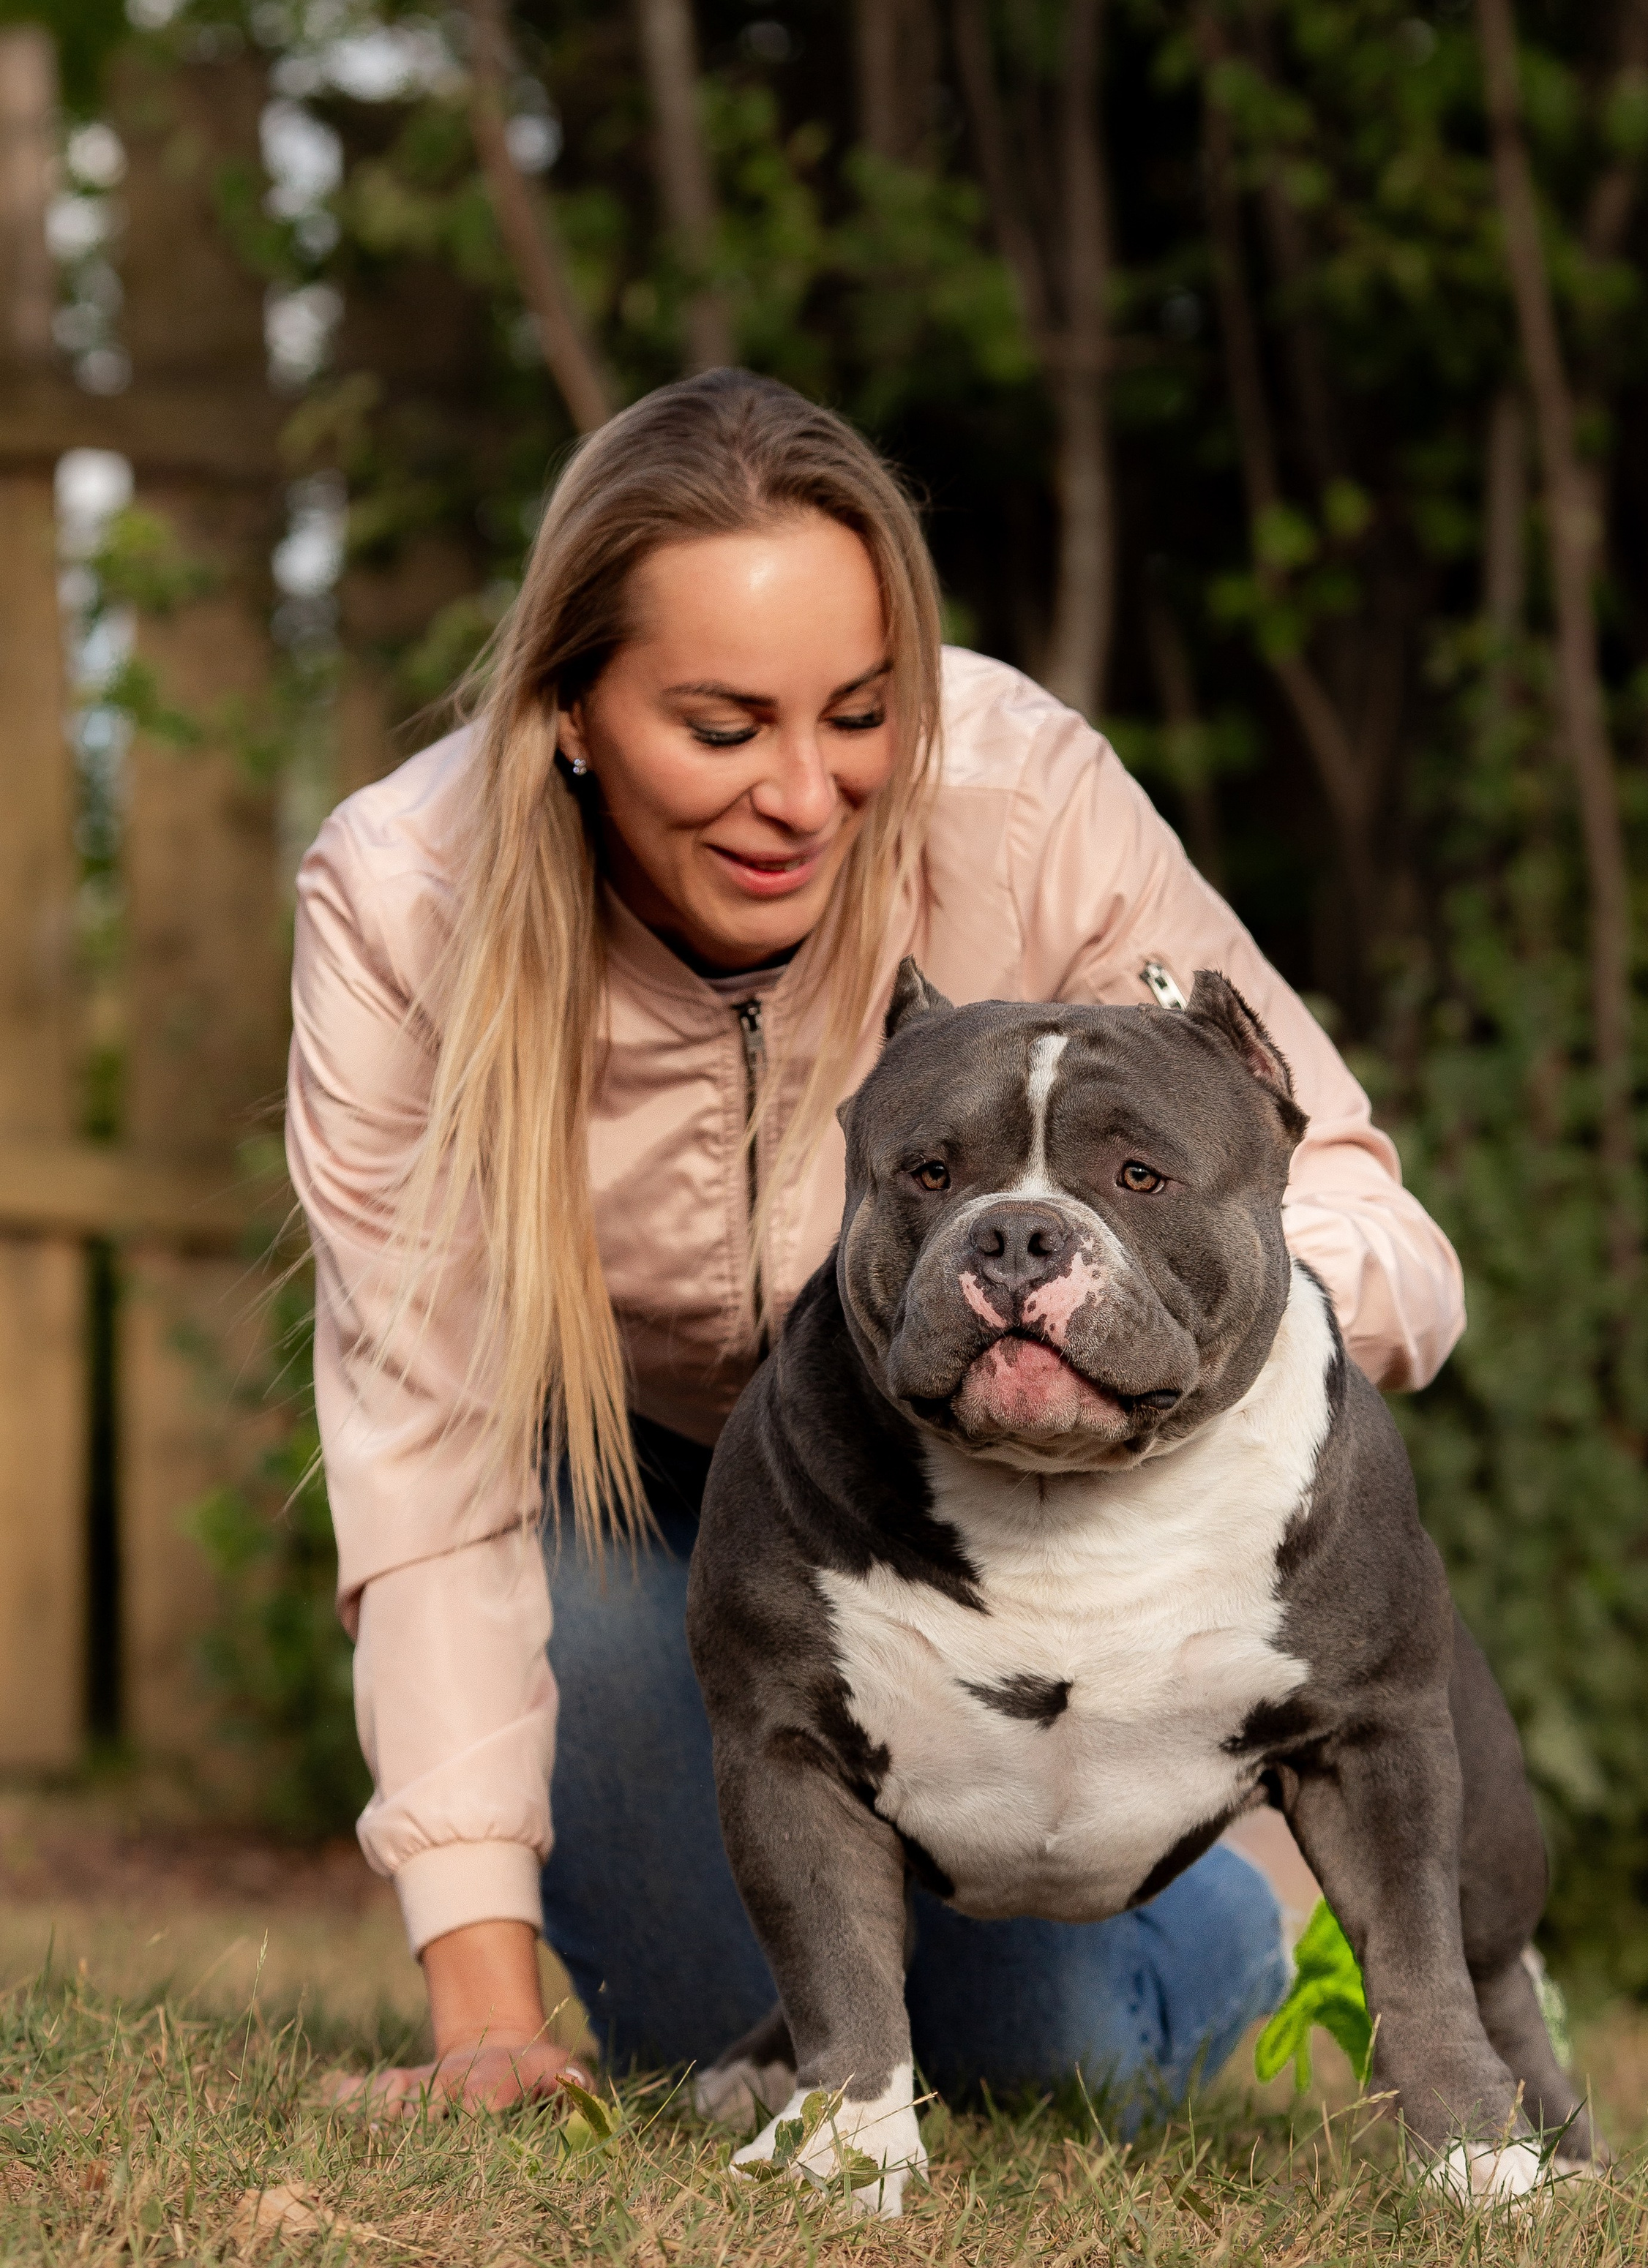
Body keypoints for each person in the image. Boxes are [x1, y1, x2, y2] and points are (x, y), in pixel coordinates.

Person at [288, 369, 1464, 2119]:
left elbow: (1366, 1210)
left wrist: (1166, 1340)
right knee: (733, 2029)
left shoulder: (1014, 789)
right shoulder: (403, 897)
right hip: (640, 1488)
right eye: (720, 724)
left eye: (856, 712)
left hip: (1007, 1495)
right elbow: (422, 1462)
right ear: (569, 710)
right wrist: (483, 2016)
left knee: (1037, 2065)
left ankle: (1245, 1885)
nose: (802, 794)